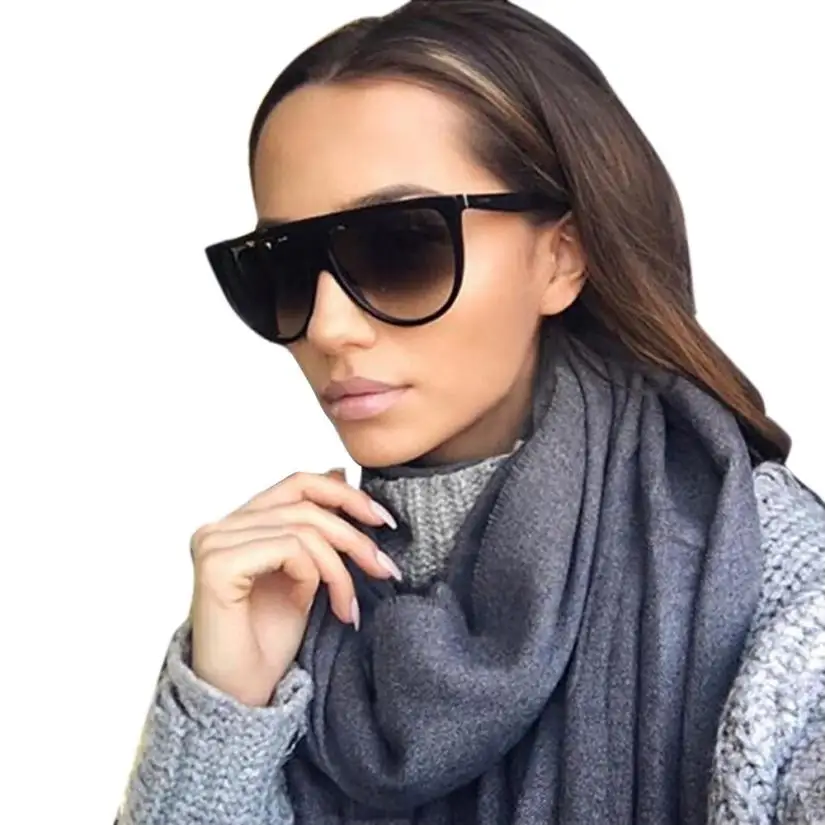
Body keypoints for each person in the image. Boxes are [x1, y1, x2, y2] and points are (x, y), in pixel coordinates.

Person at [117, 1, 825, 823]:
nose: (326, 326)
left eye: (399, 245)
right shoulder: (288, 599)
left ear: (561, 258)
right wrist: (223, 707)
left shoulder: (758, 574)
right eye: (280, 267)